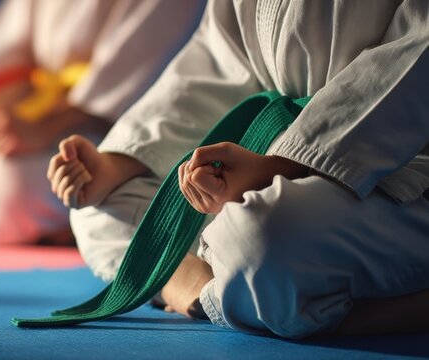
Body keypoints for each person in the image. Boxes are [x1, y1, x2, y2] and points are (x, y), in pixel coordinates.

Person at [49, 0, 429, 338]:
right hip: (273, 157)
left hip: (397, 171)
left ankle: (214, 286)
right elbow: (216, 65)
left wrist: (286, 165)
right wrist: (122, 162)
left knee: (262, 234)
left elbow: (417, 53)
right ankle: (207, 287)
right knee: (101, 208)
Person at [0, 0, 205, 245]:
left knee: (11, 188)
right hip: (44, 107)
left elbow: (130, 81)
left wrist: (48, 127)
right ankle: (4, 217)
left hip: (119, 127)